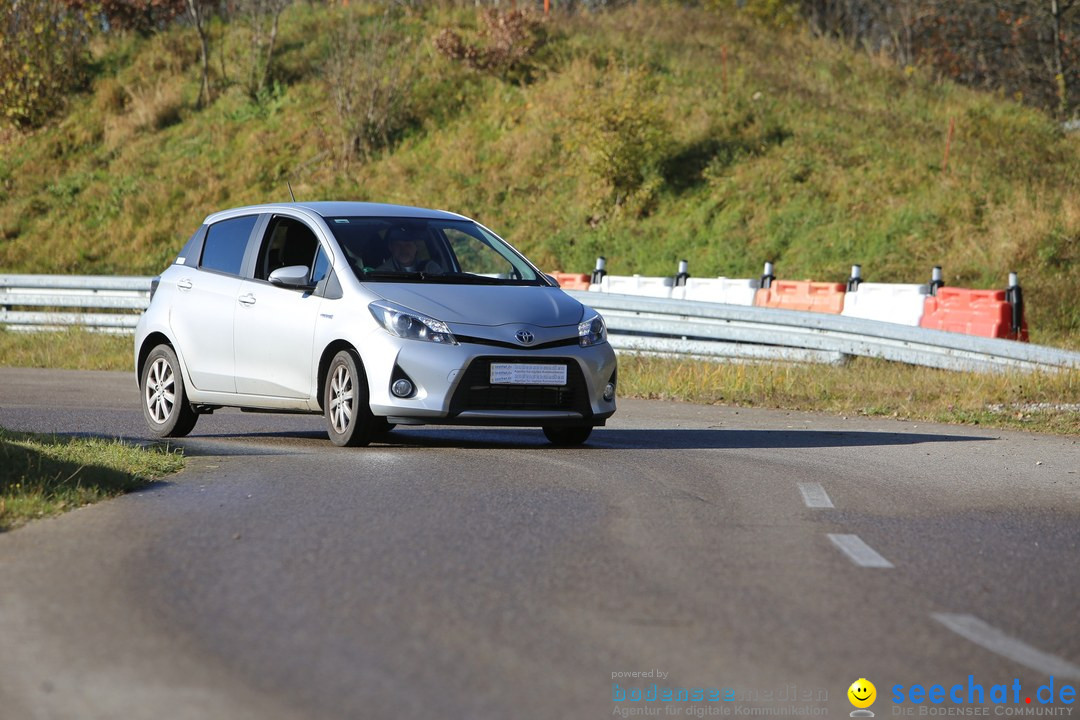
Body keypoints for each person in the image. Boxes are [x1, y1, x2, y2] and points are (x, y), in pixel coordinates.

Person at [376, 227, 444, 273]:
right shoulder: (381, 272)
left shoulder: (430, 268)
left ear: (416, 247)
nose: (403, 249)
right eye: (398, 245)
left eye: (408, 245)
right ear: (390, 248)